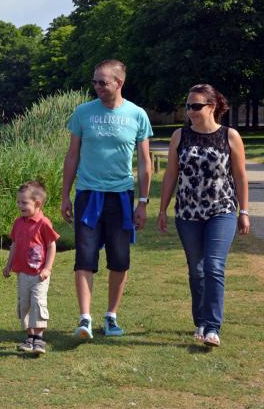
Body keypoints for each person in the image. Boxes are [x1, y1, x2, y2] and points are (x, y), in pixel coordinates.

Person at [61, 59, 153, 339]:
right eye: (95, 82)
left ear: (119, 83)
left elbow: (145, 162)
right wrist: (65, 194)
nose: (97, 87)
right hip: (88, 195)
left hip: (121, 197)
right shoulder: (83, 113)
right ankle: (85, 318)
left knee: (120, 260)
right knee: (85, 257)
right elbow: (72, 155)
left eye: (103, 82)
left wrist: (143, 202)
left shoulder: (137, 115)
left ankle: (111, 316)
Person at [158, 84, 249, 347]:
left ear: (212, 106)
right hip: (187, 212)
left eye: (196, 106)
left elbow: (241, 176)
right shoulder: (180, 136)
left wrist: (244, 211)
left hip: (222, 210)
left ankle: (212, 327)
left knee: (214, 266)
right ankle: (200, 320)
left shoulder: (230, 136)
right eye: (188, 106)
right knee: (196, 271)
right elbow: (171, 175)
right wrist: (162, 209)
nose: (190, 111)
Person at [3, 181, 59, 355]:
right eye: (18, 202)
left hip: (39, 274)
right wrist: (8, 265)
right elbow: (14, 245)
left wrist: (47, 268)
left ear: (38, 203)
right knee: (25, 303)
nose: (20, 205)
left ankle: (39, 339)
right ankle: (30, 337)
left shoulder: (43, 223)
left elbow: (51, 246)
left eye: (24, 202)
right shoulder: (18, 223)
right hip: (22, 273)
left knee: (38, 303)